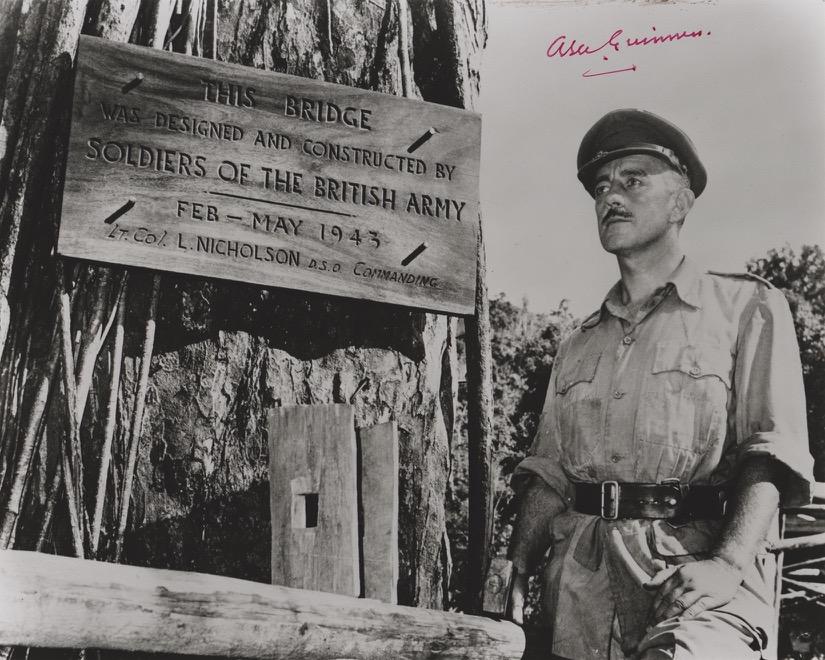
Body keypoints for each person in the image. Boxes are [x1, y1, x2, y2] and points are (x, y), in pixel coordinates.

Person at [507, 109, 814, 659]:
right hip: (581, 593)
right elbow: (549, 475)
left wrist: (727, 565)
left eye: (633, 181)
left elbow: (770, 454)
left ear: (680, 203)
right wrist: (516, 569)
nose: (611, 196)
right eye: (601, 187)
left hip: (699, 579)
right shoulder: (578, 343)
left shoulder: (747, 307)